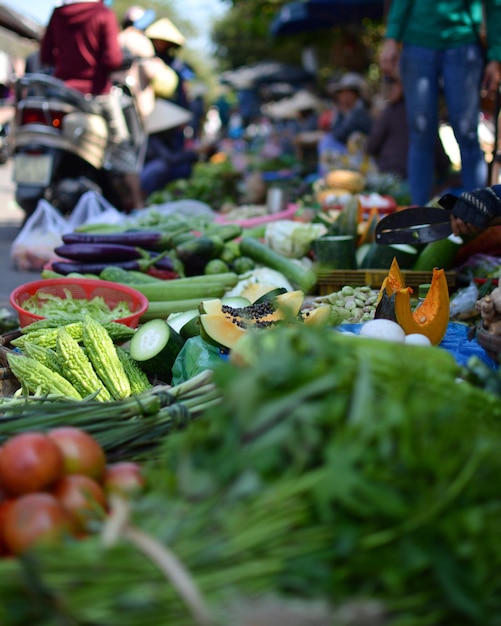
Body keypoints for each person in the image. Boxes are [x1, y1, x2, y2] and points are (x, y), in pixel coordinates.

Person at [379, 0, 501, 207]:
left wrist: (496, 55)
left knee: (467, 132)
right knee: (420, 132)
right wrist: (392, 38)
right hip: (417, 42)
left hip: (463, 42)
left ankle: (479, 214)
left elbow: (494, 4)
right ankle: (420, 218)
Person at [40, 0, 144, 211]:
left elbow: (45, 56)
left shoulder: (58, 14)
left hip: (62, 93)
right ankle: (138, 204)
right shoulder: (103, 14)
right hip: (97, 95)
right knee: (121, 145)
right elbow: (113, 58)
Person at [367, 76, 451, 183]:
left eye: (393, 84)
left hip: (394, 175)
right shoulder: (425, 112)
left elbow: (371, 145)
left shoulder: (391, 111)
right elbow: (442, 161)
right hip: (416, 178)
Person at [317, 72, 373, 175]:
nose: (343, 98)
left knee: (327, 141)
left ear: (355, 94)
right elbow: (335, 129)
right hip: (351, 151)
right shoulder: (348, 111)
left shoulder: (359, 112)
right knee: (326, 141)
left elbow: (340, 134)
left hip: (363, 156)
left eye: (347, 94)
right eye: (341, 94)